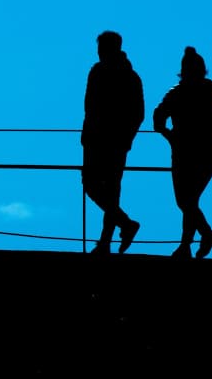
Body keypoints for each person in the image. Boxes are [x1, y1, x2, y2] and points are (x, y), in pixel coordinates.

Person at [152, 47, 212, 260]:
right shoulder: (206, 90)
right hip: (202, 151)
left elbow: (158, 117)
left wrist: (170, 135)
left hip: (187, 152)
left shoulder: (178, 92)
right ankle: (197, 239)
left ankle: (192, 242)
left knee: (186, 200)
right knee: (188, 200)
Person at [80, 30, 144, 255]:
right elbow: (89, 106)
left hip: (110, 140)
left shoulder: (126, 76)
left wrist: (125, 137)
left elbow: (137, 113)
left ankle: (108, 238)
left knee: (102, 187)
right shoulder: (104, 73)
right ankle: (120, 228)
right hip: (101, 139)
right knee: (101, 187)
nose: (99, 53)